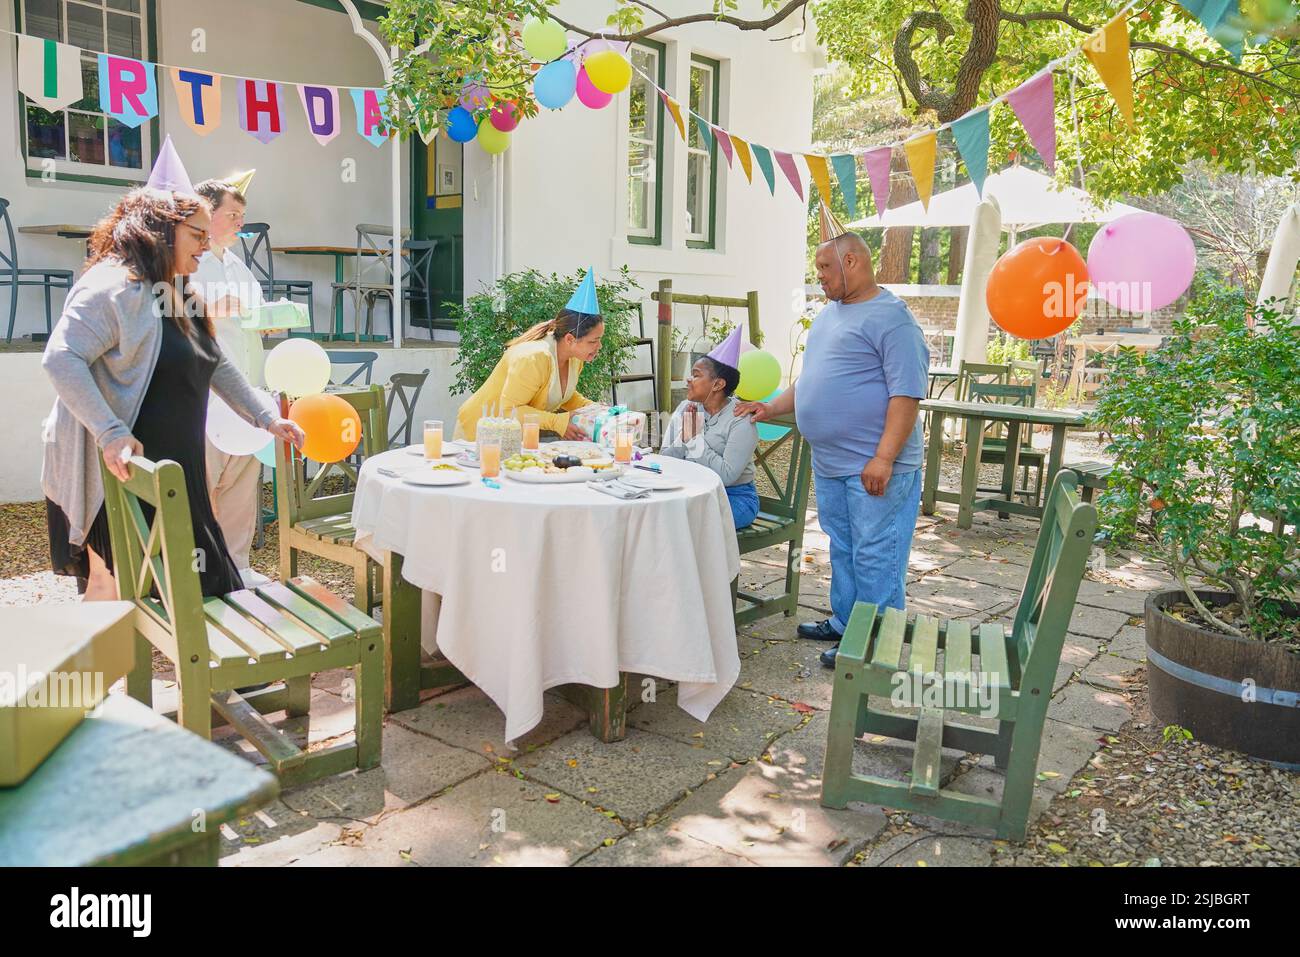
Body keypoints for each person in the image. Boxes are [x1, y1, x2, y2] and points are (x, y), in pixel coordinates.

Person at [41, 137, 303, 601]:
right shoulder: (111, 286)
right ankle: (123, 671)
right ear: (161, 231)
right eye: (197, 235)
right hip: (121, 476)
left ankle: (208, 668)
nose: (206, 246)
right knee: (116, 588)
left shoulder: (178, 292)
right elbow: (62, 357)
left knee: (199, 579)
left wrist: (264, 417)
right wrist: (111, 433)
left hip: (178, 472)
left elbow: (213, 360)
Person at [737, 203, 929, 667]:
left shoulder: (893, 319)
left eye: (824, 267)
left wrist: (883, 457)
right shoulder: (828, 316)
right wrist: (772, 406)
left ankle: (874, 644)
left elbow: (906, 395)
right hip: (832, 462)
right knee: (844, 547)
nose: (818, 276)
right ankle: (847, 622)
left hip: (875, 465)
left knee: (875, 553)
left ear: (853, 262)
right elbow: (811, 382)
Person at [191, 174, 272, 587]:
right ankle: (201, 573)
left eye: (243, 215)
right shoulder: (188, 261)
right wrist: (210, 308)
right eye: (233, 215)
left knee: (242, 483)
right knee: (203, 484)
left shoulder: (239, 266)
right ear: (208, 214)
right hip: (206, 395)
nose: (240, 223)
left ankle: (237, 567)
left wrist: (273, 320)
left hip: (247, 391)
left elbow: (257, 315)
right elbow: (167, 308)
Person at [455, 269, 604, 441]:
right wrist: (557, 422)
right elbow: (510, 410)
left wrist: (594, 409)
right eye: (593, 341)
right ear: (570, 339)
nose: (599, 346)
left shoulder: (575, 359)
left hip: (512, 439)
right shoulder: (533, 358)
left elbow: (562, 395)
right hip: (479, 434)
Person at [659, 324, 759, 528]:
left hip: (733, 497)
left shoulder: (740, 419)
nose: (689, 379)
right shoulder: (687, 407)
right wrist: (684, 440)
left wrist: (694, 441)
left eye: (696, 375)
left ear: (718, 384)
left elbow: (727, 476)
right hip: (688, 489)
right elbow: (665, 461)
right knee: (657, 514)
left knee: (684, 522)